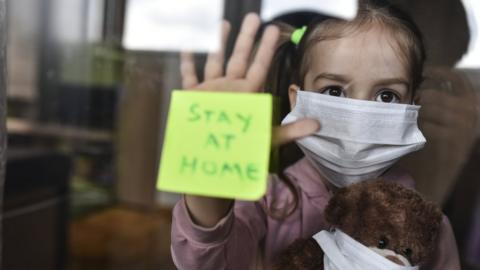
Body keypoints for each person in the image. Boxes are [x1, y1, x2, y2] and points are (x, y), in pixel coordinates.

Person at [171, 3, 460, 270]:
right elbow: (207, 263)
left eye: (387, 96)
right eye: (334, 91)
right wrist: (208, 178)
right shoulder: (268, 200)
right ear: (298, 100)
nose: (357, 114)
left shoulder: (426, 225)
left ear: (413, 106)